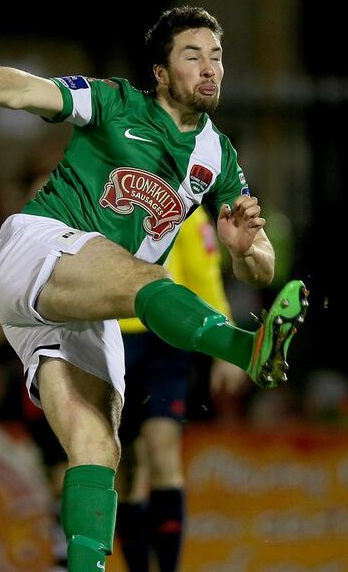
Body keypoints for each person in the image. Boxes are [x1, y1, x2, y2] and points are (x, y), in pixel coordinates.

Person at [0, 6, 307, 572]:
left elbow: (261, 267)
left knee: (98, 446)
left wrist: (243, 251)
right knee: (150, 278)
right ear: (160, 72)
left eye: (216, 57)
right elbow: (27, 90)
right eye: (192, 56)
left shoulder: (218, 156)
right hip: (36, 250)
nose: (209, 68)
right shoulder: (115, 102)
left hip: (80, 306)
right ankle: (246, 348)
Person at [114, 205, 248, 572]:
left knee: (162, 450)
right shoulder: (102, 193)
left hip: (164, 337)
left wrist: (226, 345)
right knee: (127, 467)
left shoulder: (185, 208)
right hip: (110, 334)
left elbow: (204, 276)